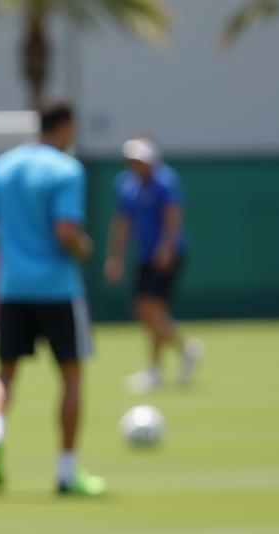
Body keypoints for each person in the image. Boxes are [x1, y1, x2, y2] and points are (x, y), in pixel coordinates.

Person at [0, 101, 105, 496]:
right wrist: (85, 248)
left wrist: (13, 250)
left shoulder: (4, 165)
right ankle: (67, 473)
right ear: (65, 127)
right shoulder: (67, 169)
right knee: (71, 376)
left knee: (4, 372)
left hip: (13, 287)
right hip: (58, 289)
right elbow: (67, 231)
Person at [104, 135, 203, 394]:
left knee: (152, 310)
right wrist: (116, 257)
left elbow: (173, 216)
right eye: (132, 160)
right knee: (146, 311)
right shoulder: (126, 185)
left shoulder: (165, 181)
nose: (135, 164)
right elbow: (122, 224)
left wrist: (167, 248)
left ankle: (158, 368)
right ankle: (182, 352)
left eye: (140, 159)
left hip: (167, 254)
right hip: (145, 256)